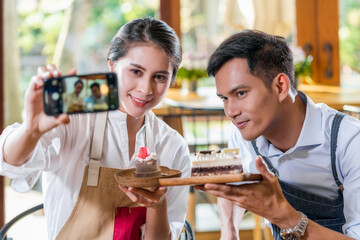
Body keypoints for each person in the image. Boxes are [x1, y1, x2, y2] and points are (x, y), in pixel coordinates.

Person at [0, 17, 190, 240]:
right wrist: (31, 131)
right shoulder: (72, 122)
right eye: (136, 72)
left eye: (159, 77)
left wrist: (158, 206)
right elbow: (10, 163)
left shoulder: (173, 147)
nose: (145, 89)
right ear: (112, 65)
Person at [197, 29, 360, 239]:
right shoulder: (245, 131)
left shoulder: (348, 141)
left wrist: (286, 217)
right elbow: (232, 184)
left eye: (240, 93)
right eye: (224, 98)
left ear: (280, 86)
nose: (231, 112)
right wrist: (229, 232)